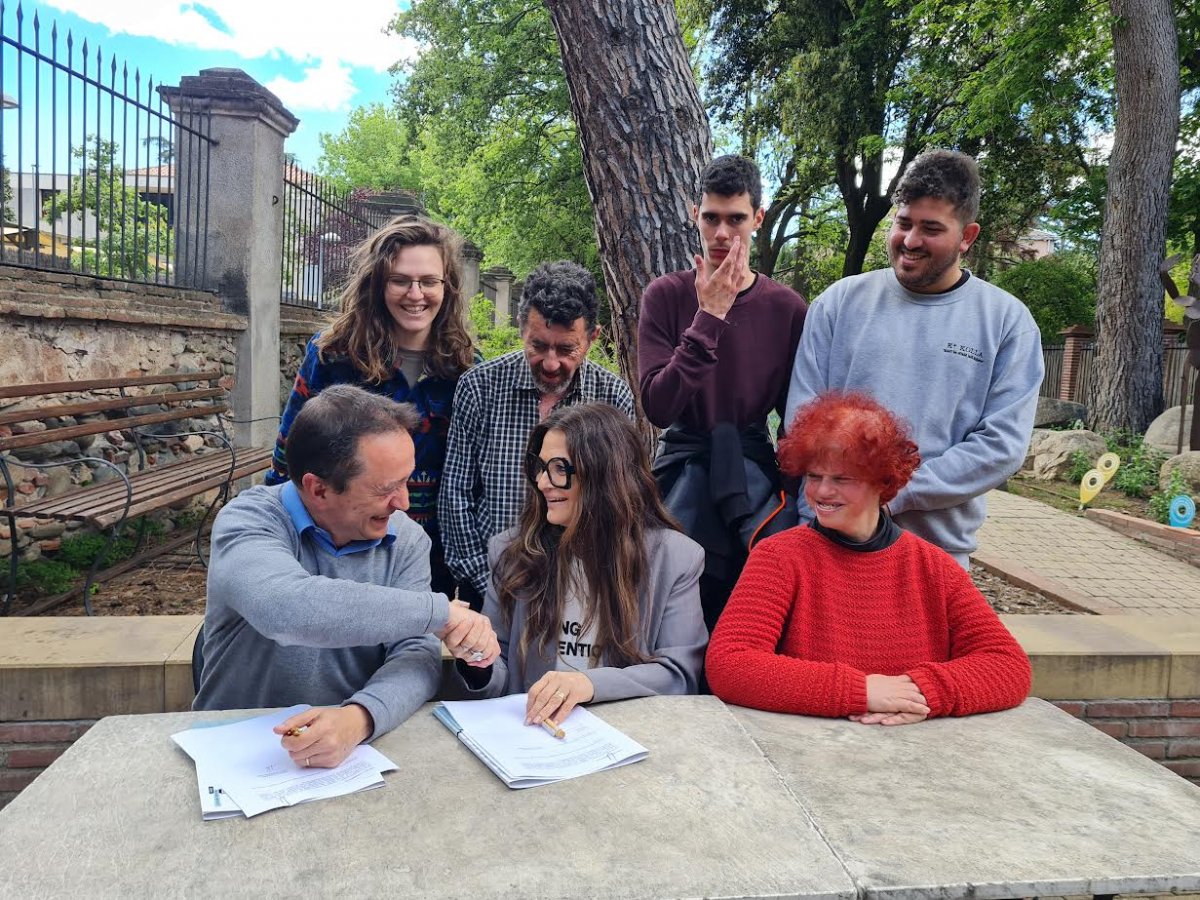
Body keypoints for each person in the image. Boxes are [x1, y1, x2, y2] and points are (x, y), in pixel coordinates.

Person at [196, 385, 499, 767]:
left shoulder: (404, 539)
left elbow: (415, 655)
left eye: (406, 481)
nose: (404, 502)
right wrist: (441, 612)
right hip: (234, 755)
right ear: (318, 488)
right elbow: (285, 608)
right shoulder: (248, 522)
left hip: (351, 758)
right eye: (386, 489)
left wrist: (359, 718)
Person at [785, 149, 1043, 569]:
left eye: (931, 228)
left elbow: (1001, 446)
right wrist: (849, 497)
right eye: (903, 223)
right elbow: (804, 418)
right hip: (828, 543)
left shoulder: (1006, 322)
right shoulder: (839, 303)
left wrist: (891, 493)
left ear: (967, 236)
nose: (910, 240)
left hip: (937, 554)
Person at [706, 392, 1031, 723]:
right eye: (814, 476)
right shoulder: (779, 557)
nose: (821, 492)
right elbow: (730, 663)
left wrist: (921, 691)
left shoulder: (932, 566)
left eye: (841, 479)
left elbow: (1008, 666)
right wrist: (861, 691)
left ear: (883, 481)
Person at [452, 403, 708, 726]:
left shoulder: (675, 559)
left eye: (560, 468)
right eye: (541, 467)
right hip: (536, 736)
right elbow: (499, 672)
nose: (543, 482)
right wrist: (475, 653)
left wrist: (587, 684)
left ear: (604, 476)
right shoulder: (512, 553)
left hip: (628, 736)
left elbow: (679, 675)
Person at [638, 153, 808, 633]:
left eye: (735, 220)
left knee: (748, 618)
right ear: (695, 214)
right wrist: (708, 317)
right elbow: (658, 405)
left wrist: (796, 499)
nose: (721, 235)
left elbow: (797, 417)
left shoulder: (786, 307)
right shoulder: (665, 296)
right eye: (710, 218)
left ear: (758, 218)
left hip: (753, 484)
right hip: (679, 477)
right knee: (668, 614)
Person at [266, 216, 477, 597]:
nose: (416, 294)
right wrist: (279, 539)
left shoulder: (464, 368)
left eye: (429, 281)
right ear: (378, 284)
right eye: (400, 280)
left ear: (447, 287)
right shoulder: (333, 356)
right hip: (337, 549)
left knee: (411, 650)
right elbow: (288, 457)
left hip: (427, 555)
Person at [440, 261, 635, 610]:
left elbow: (618, 503)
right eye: (538, 345)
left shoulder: (613, 398)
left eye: (566, 349)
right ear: (520, 329)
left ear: (592, 338)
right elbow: (455, 495)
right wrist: (488, 583)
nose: (549, 363)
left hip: (581, 592)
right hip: (487, 584)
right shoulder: (479, 388)